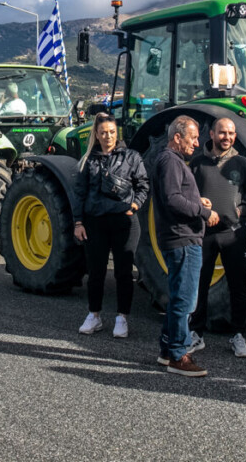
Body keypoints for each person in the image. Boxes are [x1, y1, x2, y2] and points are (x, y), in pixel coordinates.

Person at [188, 117, 246, 357]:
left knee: (238, 286)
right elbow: (187, 196)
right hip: (204, 235)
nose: (227, 137)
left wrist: (240, 211)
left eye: (231, 133)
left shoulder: (242, 164)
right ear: (211, 134)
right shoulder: (197, 164)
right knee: (199, 285)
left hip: (233, 234)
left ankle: (238, 334)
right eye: (222, 132)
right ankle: (196, 333)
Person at [73, 113, 149, 338]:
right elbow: (80, 193)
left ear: (118, 133)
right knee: (96, 271)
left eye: (112, 132)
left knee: (123, 272)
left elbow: (143, 185)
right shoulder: (88, 160)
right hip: (95, 221)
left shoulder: (131, 157)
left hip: (124, 221)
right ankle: (94, 315)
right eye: (104, 132)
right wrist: (78, 222)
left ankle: (122, 317)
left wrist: (135, 205)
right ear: (96, 135)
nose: (108, 136)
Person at [153, 115, 217, 377]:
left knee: (179, 296)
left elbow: (177, 195)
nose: (197, 143)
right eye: (193, 138)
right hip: (182, 239)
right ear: (177, 137)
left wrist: (196, 199)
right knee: (185, 300)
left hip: (179, 237)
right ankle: (179, 355)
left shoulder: (171, 161)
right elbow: (173, 200)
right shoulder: (170, 161)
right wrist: (203, 212)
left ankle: (168, 350)